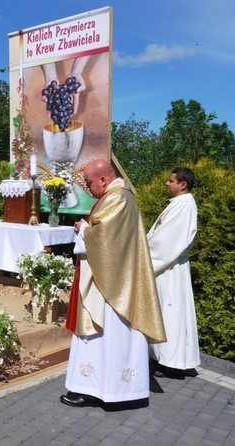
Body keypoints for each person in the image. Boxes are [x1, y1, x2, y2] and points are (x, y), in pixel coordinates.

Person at [60, 159, 166, 408]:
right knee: (110, 337)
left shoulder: (118, 198)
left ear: (103, 179)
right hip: (112, 280)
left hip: (113, 287)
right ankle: (103, 389)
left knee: (106, 335)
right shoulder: (117, 196)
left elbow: (104, 238)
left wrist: (84, 230)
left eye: (89, 183)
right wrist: (87, 227)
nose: (87, 188)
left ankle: (101, 390)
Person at [147, 167, 200, 378]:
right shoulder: (178, 205)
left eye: (171, 181)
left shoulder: (185, 207)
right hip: (166, 266)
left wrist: (143, 257)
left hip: (169, 268)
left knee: (170, 312)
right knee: (164, 311)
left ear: (182, 184)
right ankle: (161, 358)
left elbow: (166, 242)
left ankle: (170, 362)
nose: (167, 184)